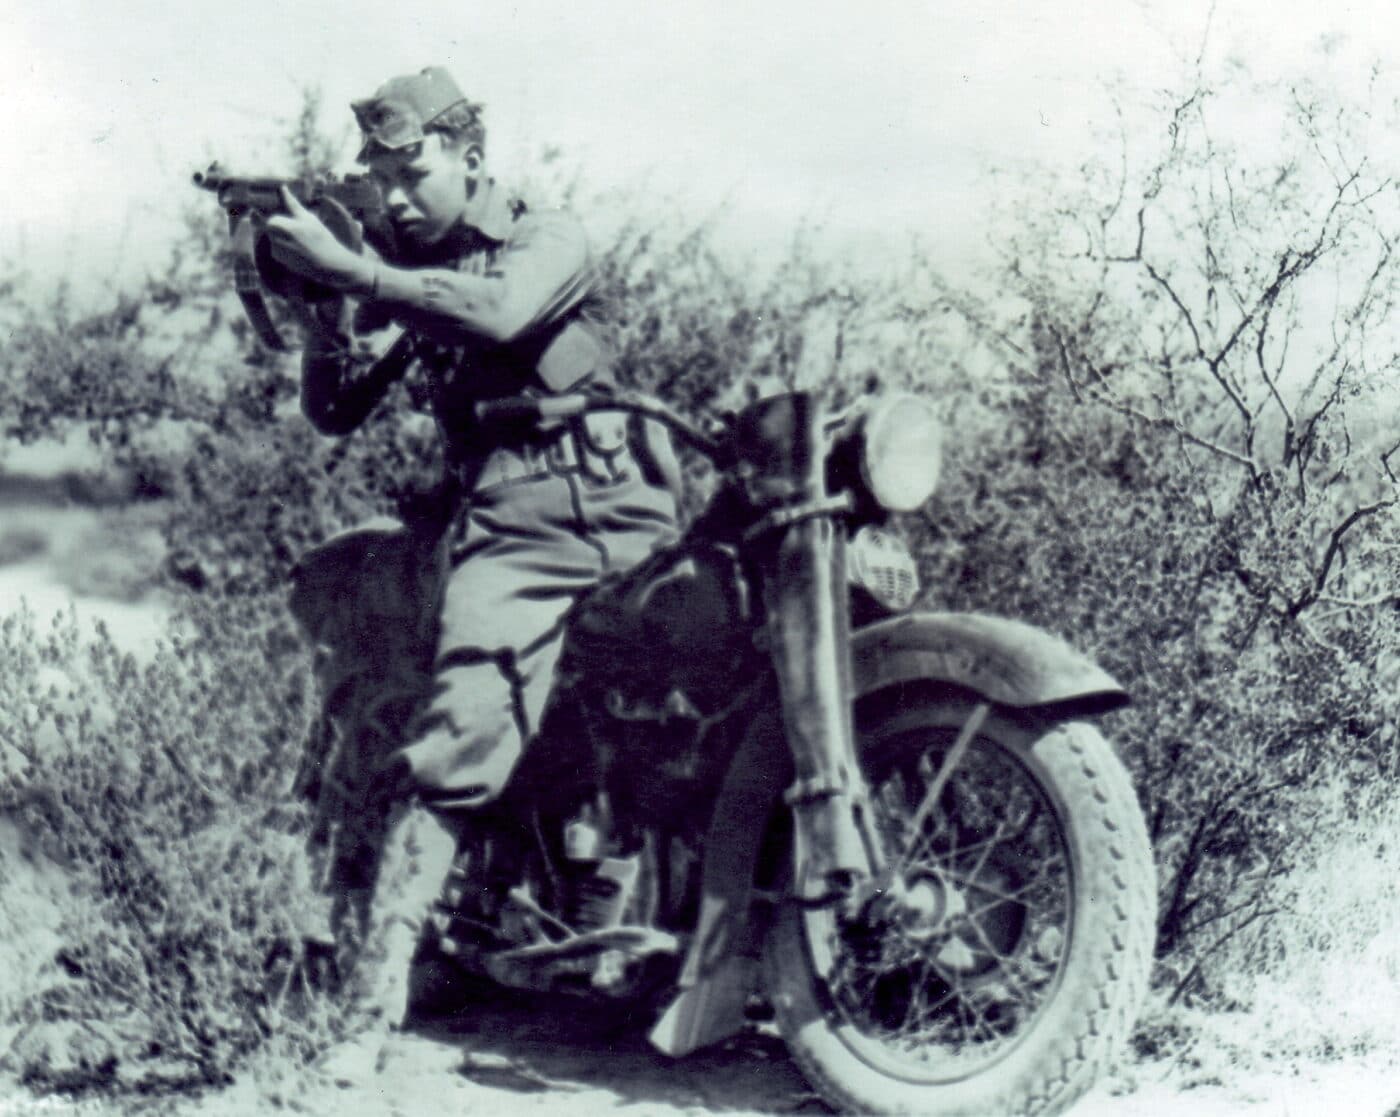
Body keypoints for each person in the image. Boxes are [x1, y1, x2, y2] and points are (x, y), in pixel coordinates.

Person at [265, 65, 681, 1047]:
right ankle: (370, 1011)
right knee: (456, 739)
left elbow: (498, 313)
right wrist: (323, 312)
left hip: (623, 507)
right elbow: (334, 410)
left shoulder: (542, 237)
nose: (396, 198)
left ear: (472, 158)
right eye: (382, 179)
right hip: (515, 523)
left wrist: (357, 273)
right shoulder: (415, 263)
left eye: (412, 173)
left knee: (723, 678)